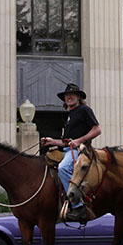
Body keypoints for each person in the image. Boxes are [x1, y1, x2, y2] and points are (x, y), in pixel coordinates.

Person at [40, 83, 101, 222]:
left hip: (80, 151)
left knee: (63, 168)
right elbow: (66, 142)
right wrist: (51, 141)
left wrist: (79, 141)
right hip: (68, 150)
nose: (69, 97)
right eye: (67, 95)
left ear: (79, 97)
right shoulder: (69, 115)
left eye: (73, 94)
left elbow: (97, 129)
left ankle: (78, 206)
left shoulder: (85, 110)